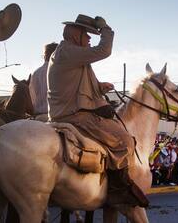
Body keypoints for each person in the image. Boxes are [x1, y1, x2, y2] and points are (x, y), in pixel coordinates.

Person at [47, 14, 148, 207]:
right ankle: (117, 191)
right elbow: (104, 49)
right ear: (77, 35)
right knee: (125, 140)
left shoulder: (68, 54)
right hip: (76, 116)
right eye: (87, 34)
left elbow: (75, 87)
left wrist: (100, 87)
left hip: (69, 111)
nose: (90, 39)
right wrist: (106, 29)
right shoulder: (70, 51)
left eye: (92, 34)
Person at [29, 42, 58, 121]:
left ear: (44, 55)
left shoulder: (36, 73)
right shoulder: (61, 71)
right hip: (56, 117)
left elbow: (32, 98)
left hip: (38, 117)